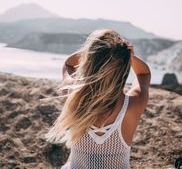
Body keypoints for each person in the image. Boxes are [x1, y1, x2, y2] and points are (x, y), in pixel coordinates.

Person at [46, 29, 151, 169]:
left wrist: (92, 52)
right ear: (123, 69)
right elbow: (144, 74)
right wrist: (130, 57)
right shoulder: (133, 105)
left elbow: (69, 64)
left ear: (89, 62)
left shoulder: (72, 94)